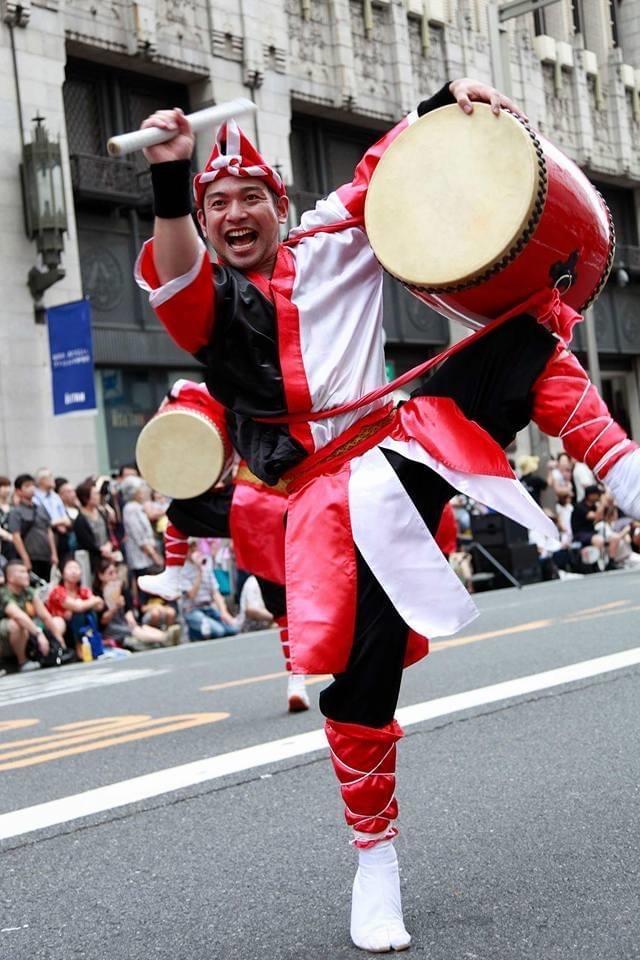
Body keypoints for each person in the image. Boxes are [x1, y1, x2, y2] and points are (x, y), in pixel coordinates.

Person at [136, 78, 640, 952]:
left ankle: (626, 474)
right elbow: (177, 268)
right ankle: (376, 862)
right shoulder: (209, 303)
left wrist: (447, 99)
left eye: (250, 197)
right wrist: (169, 179)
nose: (234, 214)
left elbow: (388, 164)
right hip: (312, 508)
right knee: (362, 686)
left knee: (519, 337)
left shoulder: (335, 232)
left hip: (398, 448)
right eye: (217, 205)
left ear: (279, 204)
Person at [94, 558, 181, 649]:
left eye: (116, 572)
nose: (114, 576)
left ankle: (166, 635)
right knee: (135, 630)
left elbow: (128, 609)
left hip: (124, 622)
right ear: (101, 576)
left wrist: (130, 618)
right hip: (111, 628)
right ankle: (165, 638)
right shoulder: (98, 594)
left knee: (140, 627)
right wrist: (115, 607)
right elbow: (103, 621)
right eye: (110, 573)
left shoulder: (122, 588)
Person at [0, 559, 68, 670]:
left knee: (58, 622)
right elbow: (18, 615)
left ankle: (49, 654)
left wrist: (60, 643)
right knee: (16, 624)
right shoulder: (3, 593)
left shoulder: (29, 591)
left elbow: (44, 615)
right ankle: (22, 661)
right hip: (7, 639)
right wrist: (39, 634)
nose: (26, 575)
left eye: (26, 572)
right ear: (10, 577)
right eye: (22, 572)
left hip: (29, 633)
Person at [46, 558, 105, 656]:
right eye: (70, 568)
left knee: (90, 613)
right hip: (63, 627)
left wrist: (84, 603)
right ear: (62, 573)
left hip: (81, 626)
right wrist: (91, 601)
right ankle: (77, 647)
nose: (74, 572)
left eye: (76, 568)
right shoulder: (57, 591)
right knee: (78, 613)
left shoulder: (83, 591)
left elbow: (100, 605)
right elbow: (78, 607)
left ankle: (93, 643)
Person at [181, 540, 238, 640]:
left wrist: (224, 612)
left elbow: (215, 592)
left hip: (209, 608)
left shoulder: (206, 566)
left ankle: (207, 628)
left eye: (195, 547)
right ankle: (194, 633)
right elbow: (192, 595)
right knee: (219, 631)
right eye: (190, 548)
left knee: (233, 629)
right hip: (193, 610)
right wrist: (199, 571)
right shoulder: (182, 570)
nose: (194, 550)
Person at [8, 474, 58, 580]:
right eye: (27, 486)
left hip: (46, 556)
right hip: (31, 556)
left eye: (32, 485)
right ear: (18, 491)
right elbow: (16, 536)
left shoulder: (41, 508)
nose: (31, 488)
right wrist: (25, 558)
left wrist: (54, 553)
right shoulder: (16, 512)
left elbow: (48, 530)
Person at [121, 478, 164, 588]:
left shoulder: (137, 507)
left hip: (147, 557)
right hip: (140, 558)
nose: (143, 492)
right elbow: (139, 536)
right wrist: (154, 555)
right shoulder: (131, 509)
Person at [571, 484, 626, 568]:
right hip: (580, 534)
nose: (599, 496)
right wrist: (602, 504)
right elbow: (596, 517)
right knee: (599, 540)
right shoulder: (579, 506)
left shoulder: (594, 506)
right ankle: (596, 565)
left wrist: (610, 506)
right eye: (597, 494)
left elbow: (605, 519)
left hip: (592, 532)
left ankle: (611, 562)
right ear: (590, 495)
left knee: (615, 537)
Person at [74, 480, 116, 573]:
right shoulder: (80, 519)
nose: (98, 496)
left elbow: (108, 531)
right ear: (86, 498)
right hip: (93, 559)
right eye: (95, 494)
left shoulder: (101, 512)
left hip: (107, 553)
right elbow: (86, 542)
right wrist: (101, 551)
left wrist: (109, 545)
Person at [34, 468, 73, 556]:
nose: (53, 479)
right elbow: (41, 521)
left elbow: (66, 519)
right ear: (41, 480)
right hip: (45, 537)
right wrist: (58, 523)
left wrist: (59, 522)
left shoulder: (55, 496)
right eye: (50, 477)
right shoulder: (34, 497)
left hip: (62, 535)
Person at [0, 476, 15, 561]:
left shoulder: (12, 507)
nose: (7, 489)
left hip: (13, 545)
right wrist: (10, 537)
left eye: (8, 486)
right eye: (3, 486)